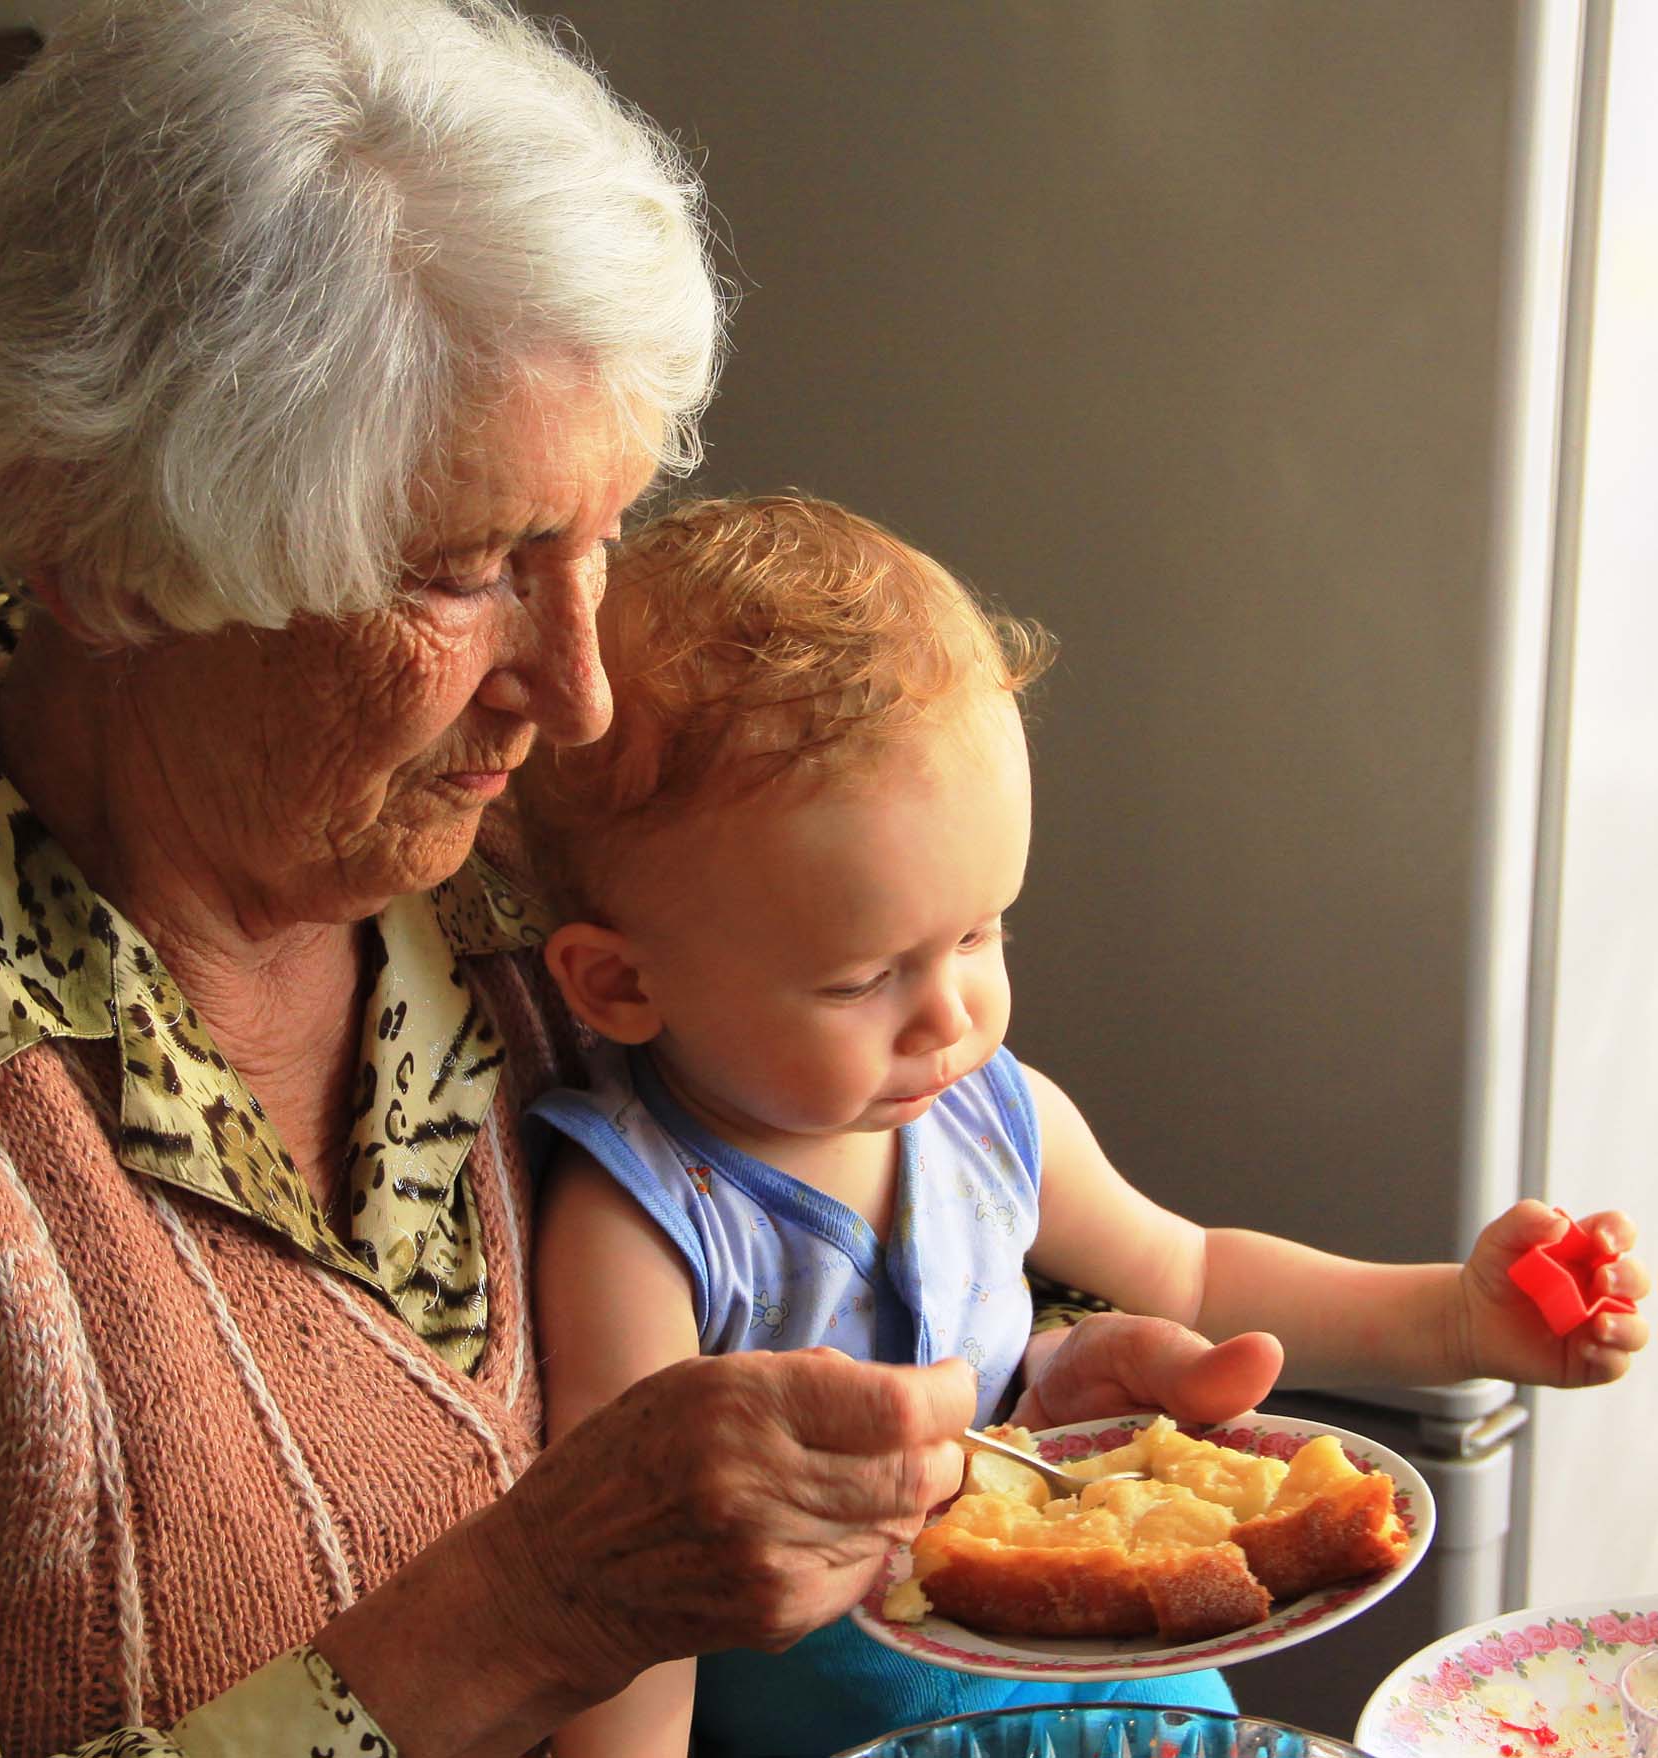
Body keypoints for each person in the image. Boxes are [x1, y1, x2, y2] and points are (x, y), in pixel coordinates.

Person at [0, 4, 1282, 1754]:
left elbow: (792, 1179)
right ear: (109, 556)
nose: (584, 689)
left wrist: (1029, 1382)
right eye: (466, 571)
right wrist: (534, 1607)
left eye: (594, 536)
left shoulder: (509, 819)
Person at [516, 494, 1652, 1758]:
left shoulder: (989, 1117)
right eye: (858, 980)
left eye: (978, 932)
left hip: (1129, 1699)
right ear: (620, 984)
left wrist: (1456, 1320)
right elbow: (635, 1595)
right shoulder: (640, 1222)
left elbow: (1198, 1272)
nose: (947, 1015)